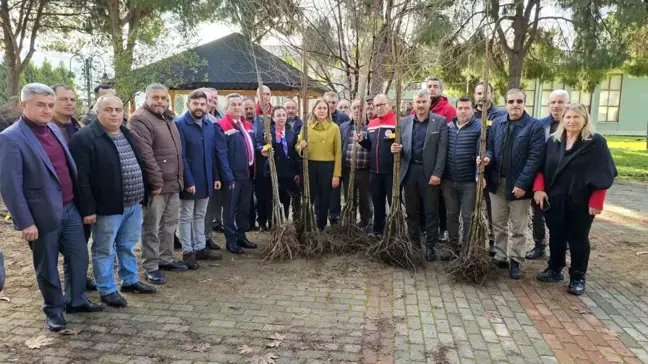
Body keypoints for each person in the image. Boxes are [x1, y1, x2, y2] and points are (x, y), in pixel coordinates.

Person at [0, 83, 104, 332]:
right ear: (24, 105)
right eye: (40, 105)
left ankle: (76, 299)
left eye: (49, 105)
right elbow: (10, 186)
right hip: (41, 215)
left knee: (78, 256)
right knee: (47, 266)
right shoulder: (10, 138)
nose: (47, 110)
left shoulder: (55, 130)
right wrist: (25, 221)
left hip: (70, 208)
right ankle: (54, 310)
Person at [69, 95, 157, 307]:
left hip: (132, 204)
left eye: (118, 110)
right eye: (109, 110)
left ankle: (129, 280)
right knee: (104, 249)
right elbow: (81, 179)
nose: (115, 114)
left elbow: (139, 162)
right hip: (107, 207)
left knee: (127, 245)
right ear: (97, 112)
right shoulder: (84, 138)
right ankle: (107, 289)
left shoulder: (126, 133)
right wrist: (88, 209)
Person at [533, 103, 616, 295]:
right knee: (556, 235)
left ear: (585, 119)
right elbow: (540, 167)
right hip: (555, 199)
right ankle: (555, 269)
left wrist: (597, 201)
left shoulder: (595, 143)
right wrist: (539, 189)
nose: (571, 121)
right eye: (568, 117)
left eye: (576, 117)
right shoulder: (553, 141)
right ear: (562, 119)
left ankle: (578, 276)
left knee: (578, 238)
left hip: (581, 201)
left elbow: (604, 173)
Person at [479, 88, 544, 280]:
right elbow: (489, 147)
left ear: (525, 103)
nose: (514, 105)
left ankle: (516, 260)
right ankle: (500, 256)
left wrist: (523, 183)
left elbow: (535, 158)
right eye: (511, 102)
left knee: (518, 226)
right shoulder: (497, 123)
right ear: (505, 104)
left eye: (519, 101)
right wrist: (487, 159)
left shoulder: (534, 126)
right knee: (498, 223)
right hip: (497, 183)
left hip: (519, 186)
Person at [129, 83, 187, 284]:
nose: (160, 101)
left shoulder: (168, 118)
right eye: (155, 97)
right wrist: (155, 182)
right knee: (151, 227)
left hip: (173, 183)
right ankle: (151, 266)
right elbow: (146, 155)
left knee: (169, 224)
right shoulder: (139, 119)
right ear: (146, 98)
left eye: (163, 98)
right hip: (157, 186)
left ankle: (166, 258)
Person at [391, 90, 448, 261]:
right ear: (413, 104)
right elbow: (398, 146)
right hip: (409, 172)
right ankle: (414, 243)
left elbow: (442, 151)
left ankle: (431, 246)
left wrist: (437, 173)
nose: (421, 105)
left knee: (431, 212)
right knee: (411, 211)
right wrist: (394, 149)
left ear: (429, 103)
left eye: (424, 102)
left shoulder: (440, 122)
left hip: (429, 173)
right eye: (418, 102)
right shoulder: (404, 122)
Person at [51, 84, 97, 292]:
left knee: (79, 247)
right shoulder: (47, 130)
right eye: (64, 99)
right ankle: (62, 294)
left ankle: (77, 286)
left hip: (81, 197)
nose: (70, 103)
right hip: (57, 202)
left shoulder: (78, 127)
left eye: (72, 99)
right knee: (63, 250)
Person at [175, 90, 223, 270]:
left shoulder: (209, 124)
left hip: (207, 178)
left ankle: (200, 247)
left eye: (203, 104)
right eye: (196, 104)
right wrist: (188, 181)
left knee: (201, 215)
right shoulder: (180, 124)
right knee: (186, 216)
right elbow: (182, 156)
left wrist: (216, 177)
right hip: (190, 179)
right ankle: (188, 252)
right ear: (188, 105)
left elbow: (212, 153)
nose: (199, 107)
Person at [526, 89, 569, 260]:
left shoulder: (573, 124)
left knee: (562, 216)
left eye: (560, 102)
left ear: (567, 103)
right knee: (538, 214)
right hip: (542, 178)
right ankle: (539, 245)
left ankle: (560, 248)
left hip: (565, 181)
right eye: (553, 102)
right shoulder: (540, 125)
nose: (556, 106)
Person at [214, 93, 259, 254]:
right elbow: (221, 154)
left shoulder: (246, 125)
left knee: (244, 208)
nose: (238, 107)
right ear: (227, 108)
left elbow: (252, 146)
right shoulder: (221, 126)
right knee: (230, 209)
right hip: (233, 176)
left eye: (240, 104)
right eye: (234, 105)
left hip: (248, 174)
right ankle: (231, 240)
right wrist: (228, 177)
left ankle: (241, 236)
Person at [442, 96, 481, 260]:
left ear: (473, 110)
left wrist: (479, 172)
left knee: (467, 217)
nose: (463, 111)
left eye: (467, 108)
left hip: (468, 182)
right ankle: (452, 247)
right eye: (460, 108)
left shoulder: (479, 128)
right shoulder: (449, 127)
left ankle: (466, 248)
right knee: (451, 215)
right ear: (455, 109)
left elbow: (483, 151)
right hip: (449, 180)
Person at [297, 99, 342, 231]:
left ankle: (321, 225)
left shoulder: (334, 128)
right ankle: (308, 223)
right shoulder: (306, 126)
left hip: (327, 167)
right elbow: (297, 145)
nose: (322, 111)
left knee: (324, 197)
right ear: (314, 110)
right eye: (319, 108)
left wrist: (336, 175)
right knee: (310, 195)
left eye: (324, 108)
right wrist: (301, 146)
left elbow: (338, 152)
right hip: (310, 165)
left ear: (328, 111)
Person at [474, 81, 507, 255]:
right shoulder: (469, 114)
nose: (482, 96)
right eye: (479, 93)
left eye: (485, 93)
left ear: (491, 95)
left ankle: (494, 241)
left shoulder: (500, 115)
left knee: (492, 208)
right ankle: (474, 238)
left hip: (492, 170)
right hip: (470, 170)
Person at [356, 94, 396, 236]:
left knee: (394, 203)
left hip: (392, 172)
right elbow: (370, 146)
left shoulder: (397, 122)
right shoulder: (371, 124)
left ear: (390, 104)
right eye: (376, 105)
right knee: (378, 203)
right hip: (374, 171)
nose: (378, 108)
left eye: (381, 104)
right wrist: (362, 141)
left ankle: (395, 230)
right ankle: (378, 230)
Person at [260, 106, 301, 219]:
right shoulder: (267, 133)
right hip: (273, 171)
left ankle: (286, 221)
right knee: (272, 199)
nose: (281, 118)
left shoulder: (291, 133)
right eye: (278, 115)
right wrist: (266, 146)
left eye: (283, 115)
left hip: (288, 171)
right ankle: (273, 221)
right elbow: (266, 146)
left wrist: (297, 172)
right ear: (273, 117)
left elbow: (294, 153)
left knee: (286, 199)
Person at [338, 99, 372, 228]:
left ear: (366, 110)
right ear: (351, 110)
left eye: (360, 107)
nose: (358, 110)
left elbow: (373, 146)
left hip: (365, 170)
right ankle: (350, 224)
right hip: (348, 170)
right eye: (355, 107)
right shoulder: (344, 127)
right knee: (349, 198)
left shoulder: (371, 127)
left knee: (365, 200)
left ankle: (366, 223)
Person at [324, 91, 350, 225]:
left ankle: (334, 217)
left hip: (339, 158)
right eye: (328, 102)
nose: (331, 105)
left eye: (334, 102)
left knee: (336, 189)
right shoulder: (319, 115)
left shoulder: (344, 118)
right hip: (323, 158)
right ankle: (321, 215)